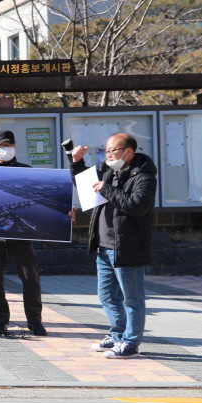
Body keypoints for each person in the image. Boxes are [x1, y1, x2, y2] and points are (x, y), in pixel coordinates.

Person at [71, 133, 157, 359]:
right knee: (107, 296)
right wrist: (77, 162)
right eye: (106, 151)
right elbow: (86, 184)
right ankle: (117, 335)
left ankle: (130, 343)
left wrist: (106, 189)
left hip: (127, 247)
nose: (108, 155)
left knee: (132, 299)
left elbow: (136, 205)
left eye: (113, 151)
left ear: (128, 151)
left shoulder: (145, 176)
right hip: (104, 245)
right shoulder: (109, 170)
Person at [0, 130, 47, 337]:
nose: (5, 149)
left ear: (14, 147)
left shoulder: (27, 171)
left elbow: (39, 202)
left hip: (21, 234)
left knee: (30, 277)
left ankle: (34, 321)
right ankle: (0, 320)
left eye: (9, 145)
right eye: (1, 146)